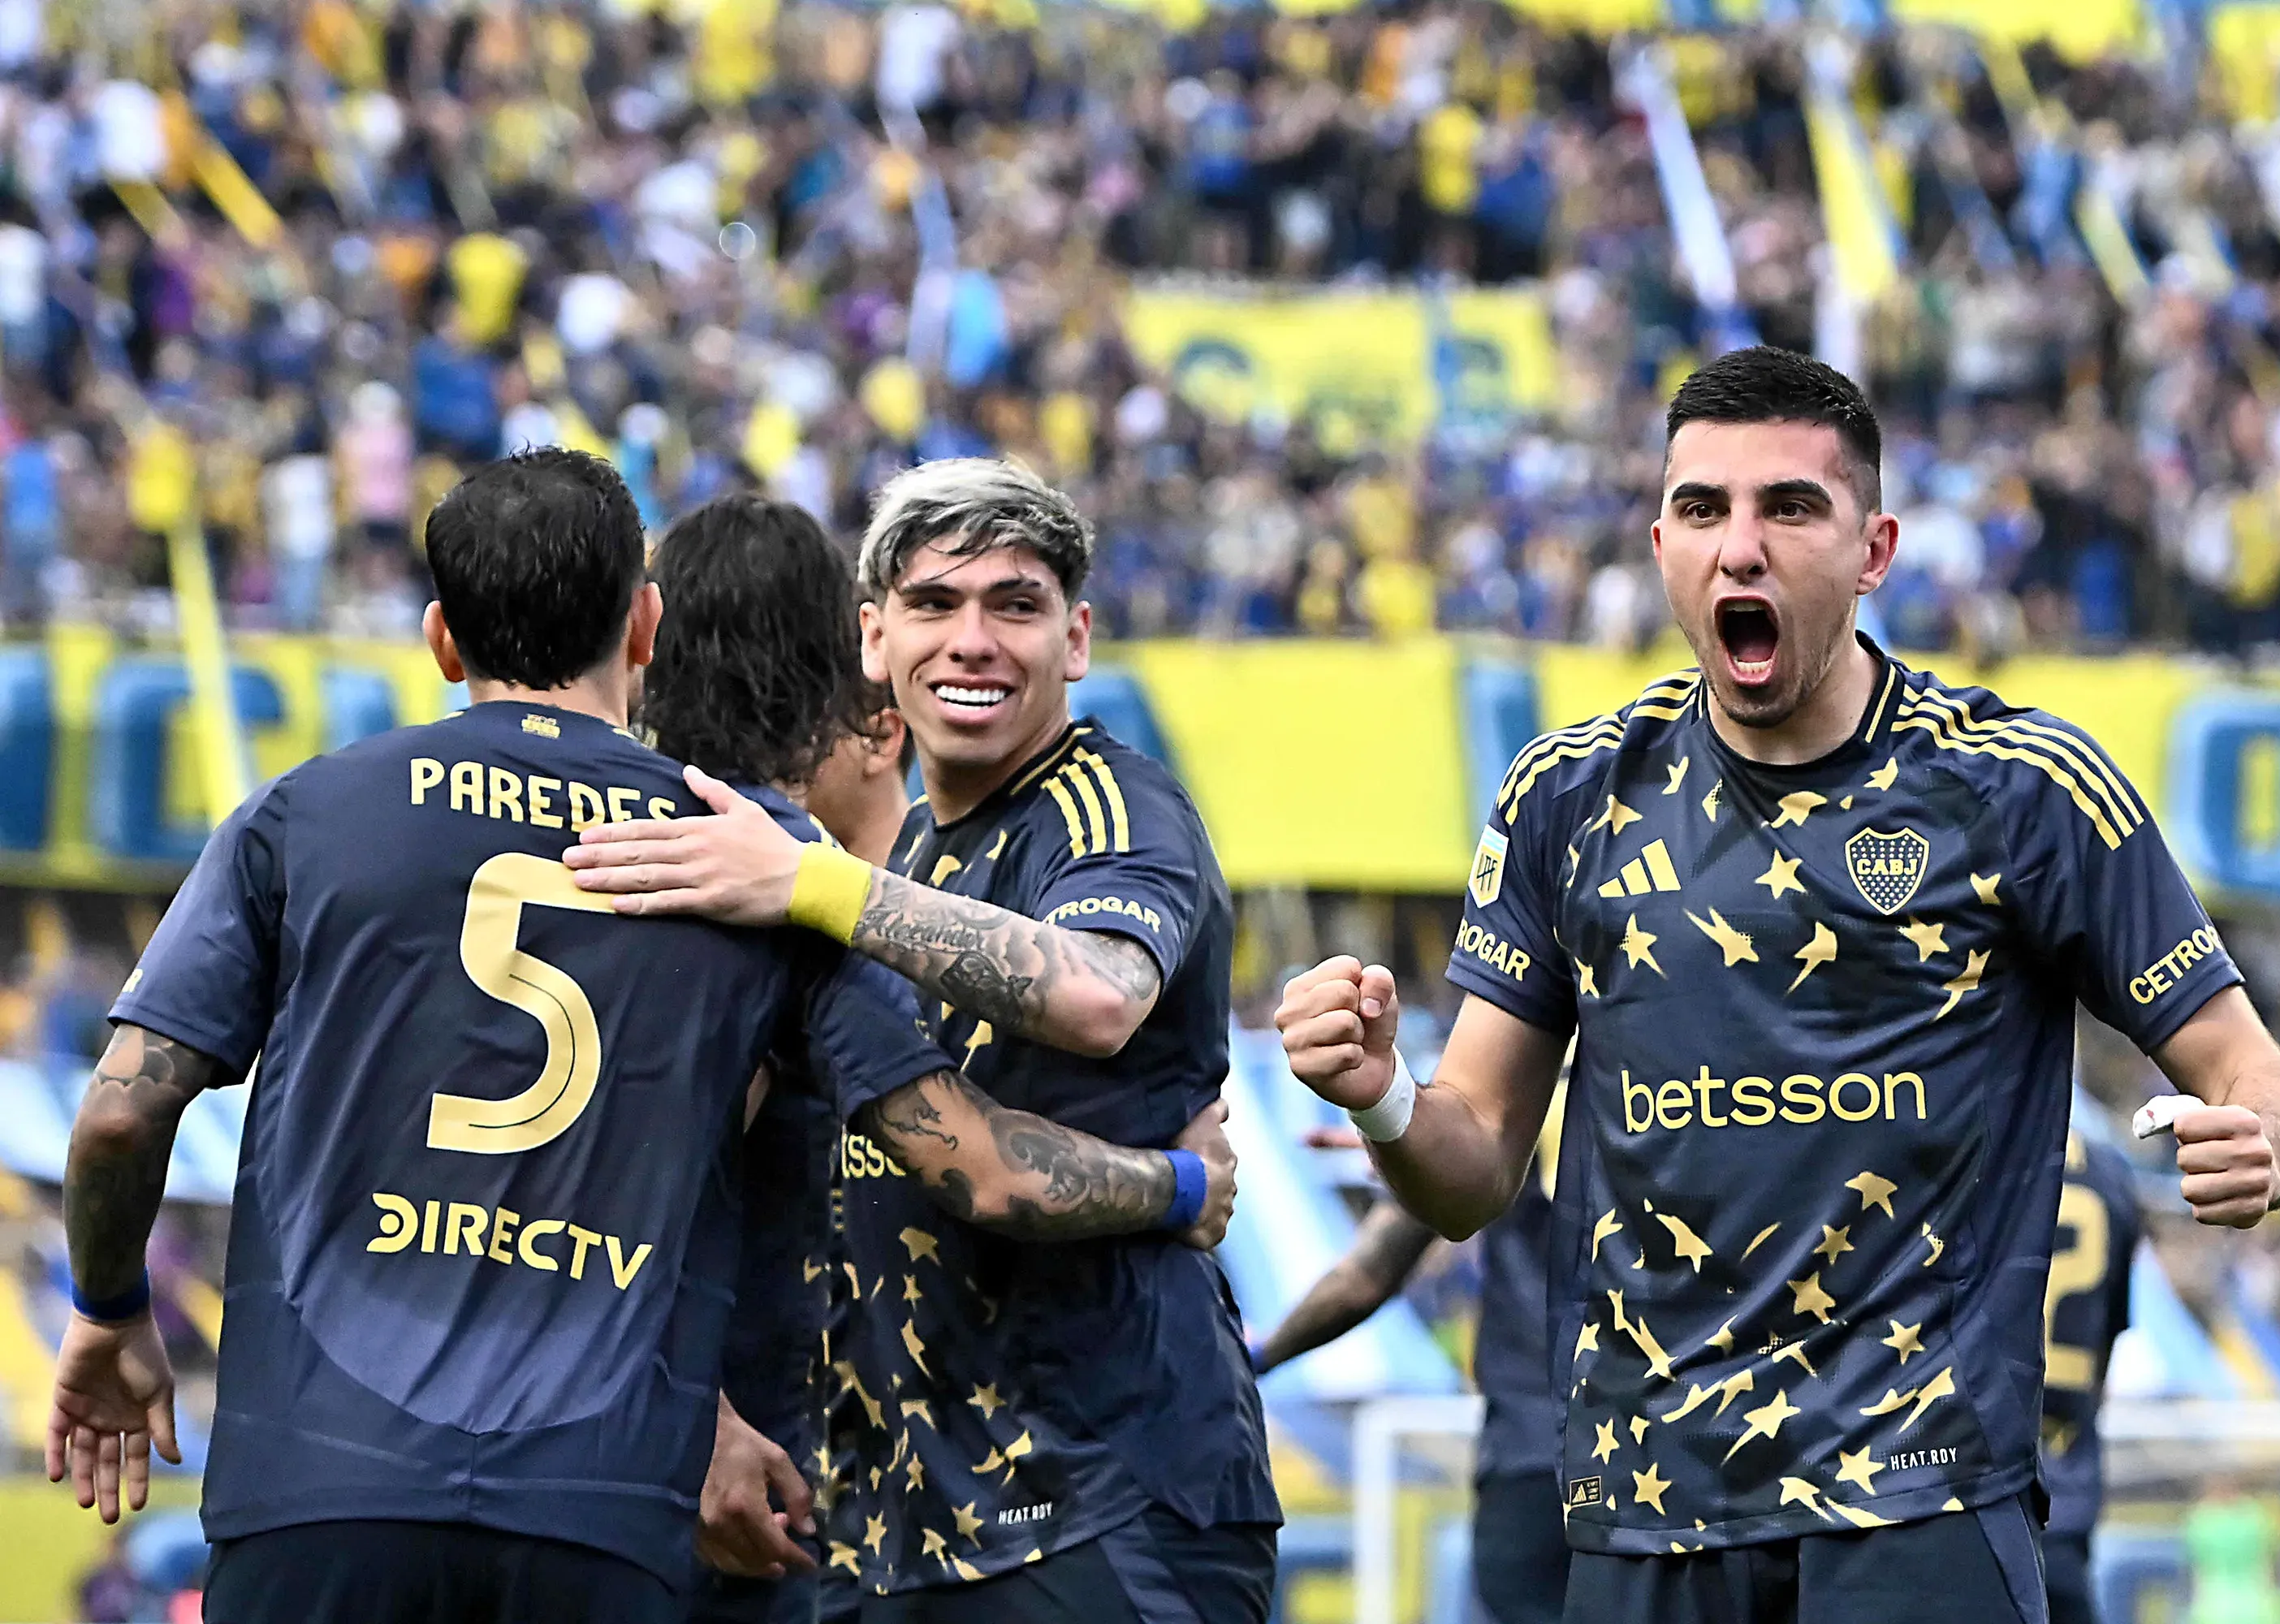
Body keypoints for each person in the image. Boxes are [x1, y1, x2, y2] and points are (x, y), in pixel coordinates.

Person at [44, 453, 1233, 1624]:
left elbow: (120, 1111)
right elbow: (964, 1157)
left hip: (317, 1483)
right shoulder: (742, 857)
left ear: (442, 641)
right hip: (600, 1511)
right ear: (643, 624)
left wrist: (107, 1313)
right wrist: (1180, 1183)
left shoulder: (305, 814)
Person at [1271, 347, 2280, 1623]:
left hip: (1918, 1504)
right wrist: (1384, 1095)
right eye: (1705, 510)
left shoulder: (2022, 789)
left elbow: (2265, 1080)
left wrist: (2262, 1146)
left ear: (1874, 548)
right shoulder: (1569, 795)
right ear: (1660, 543)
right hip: (1642, 1509)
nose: (1742, 547)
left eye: (1790, 507)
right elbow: (1475, 1163)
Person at [564, 457, 1281, 1623]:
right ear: (873, 640)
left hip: (1103, 1504)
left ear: (1078, 638)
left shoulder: (1108, 805)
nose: (975, 640)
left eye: (1016, 605)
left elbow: (1101, 994)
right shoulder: (909, 864)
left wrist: (818, 885)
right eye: (936, 605)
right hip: (910, 1531)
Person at [1252, 1123, 1568, 1624]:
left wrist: (1257, 1356)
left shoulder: (1511, 1078)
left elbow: (1365, 1277)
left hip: (1533, 1452)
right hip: (1676, 1450)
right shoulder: (1696, 1073)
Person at [2040, 1122, 2141, 1624]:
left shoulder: (1966, 1140)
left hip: (1966, 1494)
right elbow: (2108, 1340)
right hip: (2065, 1496)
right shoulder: (2109, 1173)